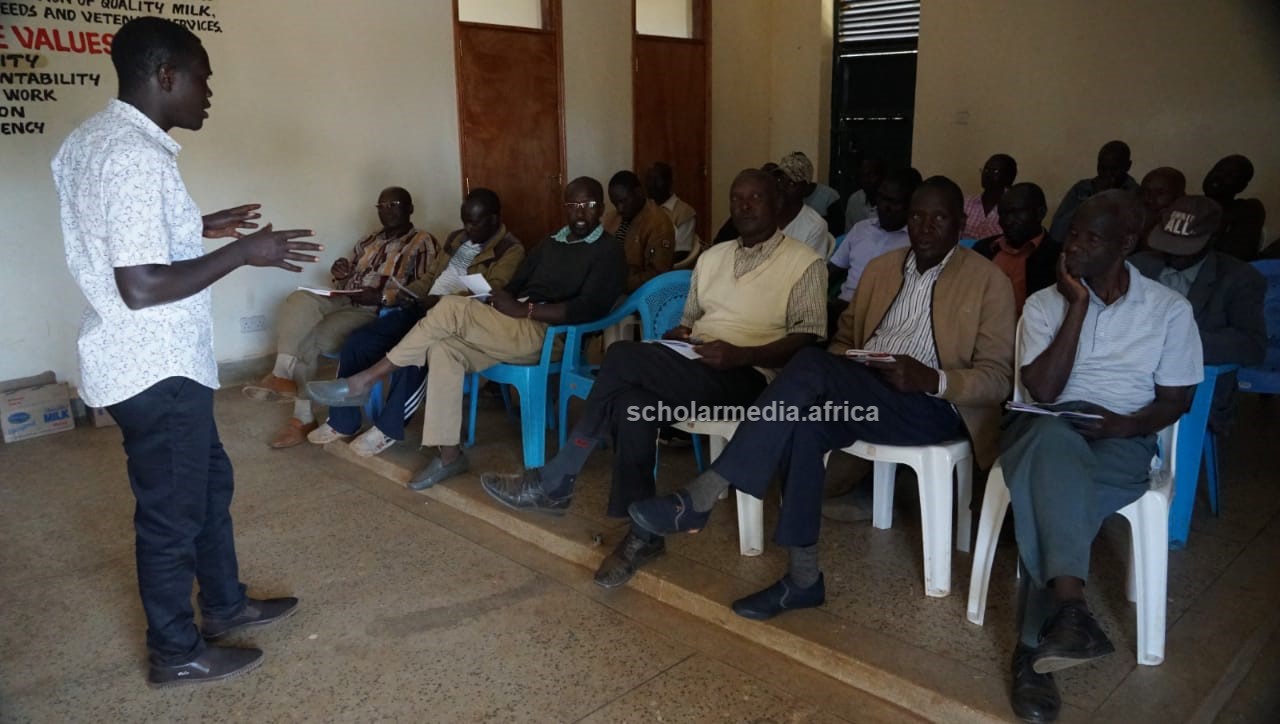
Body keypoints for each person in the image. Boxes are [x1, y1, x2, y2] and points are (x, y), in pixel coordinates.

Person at [53, 16, 320, 686]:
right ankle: (176, 652)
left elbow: (115, 236)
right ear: (166, 74)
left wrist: (194, 227)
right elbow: (140, 284)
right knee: (171, 518)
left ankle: (225, 605)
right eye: (202, 77)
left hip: (150, 361)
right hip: (155, 363)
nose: (208, 92)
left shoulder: (94, 140)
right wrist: (243, 251)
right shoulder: (134, 156)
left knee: (206, 487)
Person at [624, 177, 1016, 621]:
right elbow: (844, 340)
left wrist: (934, 379)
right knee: (806, 421)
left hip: (933, 406)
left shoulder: (989, 282)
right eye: (917, 216)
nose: (925, 228)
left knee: (808, 362)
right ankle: (804, 579)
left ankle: (704, 493)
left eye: (939, 218)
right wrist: (854, 368)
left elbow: (998, 379)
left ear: (961, 223)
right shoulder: (882, 268)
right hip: (870, 390)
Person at [479, 168, 827, 588]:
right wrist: (680, 335)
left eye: (756, 198)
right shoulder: (713, 258)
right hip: (698, 363)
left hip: (750, 376)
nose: (745, 207)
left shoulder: (804, 262)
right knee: (632, 405)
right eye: (737, 199)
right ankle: (642, 535)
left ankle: (558, 477)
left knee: (622, 356)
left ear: (777, 205)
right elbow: (693, 322)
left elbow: (808, 340)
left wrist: (743, 354)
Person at [1001, 190, 1201, 723]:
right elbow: (1041, 392)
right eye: (1073, 235)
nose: (1074, 247)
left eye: (1092, 238)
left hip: (1123, 438)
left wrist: (1126, 424)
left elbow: (1177, 399)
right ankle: (1069, 612)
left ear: (1126, 244)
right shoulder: (1046, 304)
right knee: (1051, 449)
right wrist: (1078, 307)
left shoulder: (1168, 311)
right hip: (1044, 429)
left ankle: (1036, 646)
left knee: (1051, 501)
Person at [308, 178, 626, 490]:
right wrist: (501, 298)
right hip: (512, 325)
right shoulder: (552, 242)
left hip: (551, 335)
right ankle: (449, 456)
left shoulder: (608, 250)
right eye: (573, 205)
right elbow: (518, 283)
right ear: (565, 208)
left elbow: (591, 308)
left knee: (448, 308)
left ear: (601, 208)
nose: (581, 213)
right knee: (444, 349)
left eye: (589, 205)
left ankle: (365, 380)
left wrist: (525, 310)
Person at [308, 188, 525, 456]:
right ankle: (343, 420)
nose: (467, 228)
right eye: (464, 221)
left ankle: (388, 428)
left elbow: (491, 292)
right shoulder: (457, 238)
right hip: (425, 305)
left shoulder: (510, 249)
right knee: (359, 342)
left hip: (456, 320)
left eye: (475, 222)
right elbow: (432, 276)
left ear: (494, 220)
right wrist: (405, 295)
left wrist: (442, 302)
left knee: (414, 356)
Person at [243, 187, 436, 448]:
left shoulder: (423, 242)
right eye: (382, 206)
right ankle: (281, 374)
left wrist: (381, 298)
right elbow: (350, 274)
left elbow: (421, 292)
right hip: (346, 296)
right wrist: (341, 274)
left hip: (377, 310)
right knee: (298, 299)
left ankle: (301, 418)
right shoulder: (368, 241)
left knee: (309, 340)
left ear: (410, 208)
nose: (387, 210)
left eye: (394, 204)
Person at [1130, 195, 1265, 434]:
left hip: (1192, 385)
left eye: (1184, 247)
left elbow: (1252, 346)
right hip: (1128, 373)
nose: (1173, 254)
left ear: (1212, 239)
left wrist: (1176, 340)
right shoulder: (1139, 266)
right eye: (1167, 243)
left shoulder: (1239, 278)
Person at [826, 169, 919, 332]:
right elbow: (831, 271)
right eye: (881, 198)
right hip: (842, 310)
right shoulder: (861, 229)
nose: (884, 207)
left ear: (911, 203)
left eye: (893, 201)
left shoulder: (917, 242)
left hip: (882, 318)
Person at [972, 183, 1062, 314]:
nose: (1008, 221)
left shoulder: (1057, 257)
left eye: (1016, 213)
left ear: (1040, 213)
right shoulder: (983, 250)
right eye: (1003, 214)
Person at [1048, 140, 1138, 242]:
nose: (1107, 175)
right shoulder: (1082, 189)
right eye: (1102, 168)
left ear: (1128, 166)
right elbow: (1057, 232)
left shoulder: (1135, 195)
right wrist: (1094, 199)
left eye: (1114, 169)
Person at [603, 170, 676, 292]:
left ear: (638, 193)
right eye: (615, 203)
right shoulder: (612, 218)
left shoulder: (658, 223)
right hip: (609, 285)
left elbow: (657, 274)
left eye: (623, 201)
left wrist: (616, 284)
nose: (619, 209)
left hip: (637, 294)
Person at [1203, 154, 1267, 261]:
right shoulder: (1187, 204)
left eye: (1230, 176)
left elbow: (1235, 255)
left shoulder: (1248, 209)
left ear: (1242, 186)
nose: (1218, 177)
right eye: (1217, 170)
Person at [774, 152, 836, 258]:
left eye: (791, 183)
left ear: (805, 188)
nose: (782, 186)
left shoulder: (815, 226)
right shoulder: (766, 214)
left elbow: (808, 270)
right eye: (780, 179)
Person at [645, 162, 701, 267]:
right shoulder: (644, 208)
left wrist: (655, 265)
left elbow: (681, 252)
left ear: (669, 183)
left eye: (656, 180)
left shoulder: (684, 212)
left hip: (668, 270)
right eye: (649, 179)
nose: (651, 184)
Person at [962, 154, 1017, 240]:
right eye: (986, 170)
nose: (987, 174)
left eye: (995, 171)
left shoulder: (1013, 211)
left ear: (1008, 177)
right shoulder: (965, 204)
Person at [1137, 166, 1186, 242]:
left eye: (1160, 193)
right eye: (1147, 192)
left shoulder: (1188, 229)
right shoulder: (1134, 221)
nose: (1151, 199)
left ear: (1180, 195)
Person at [844, 157, 887, 232]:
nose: (866, 180)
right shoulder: (854, 200)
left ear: (882, 176)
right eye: (863, 175)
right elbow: (848, 234)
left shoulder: (891, 201)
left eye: (871, 175)